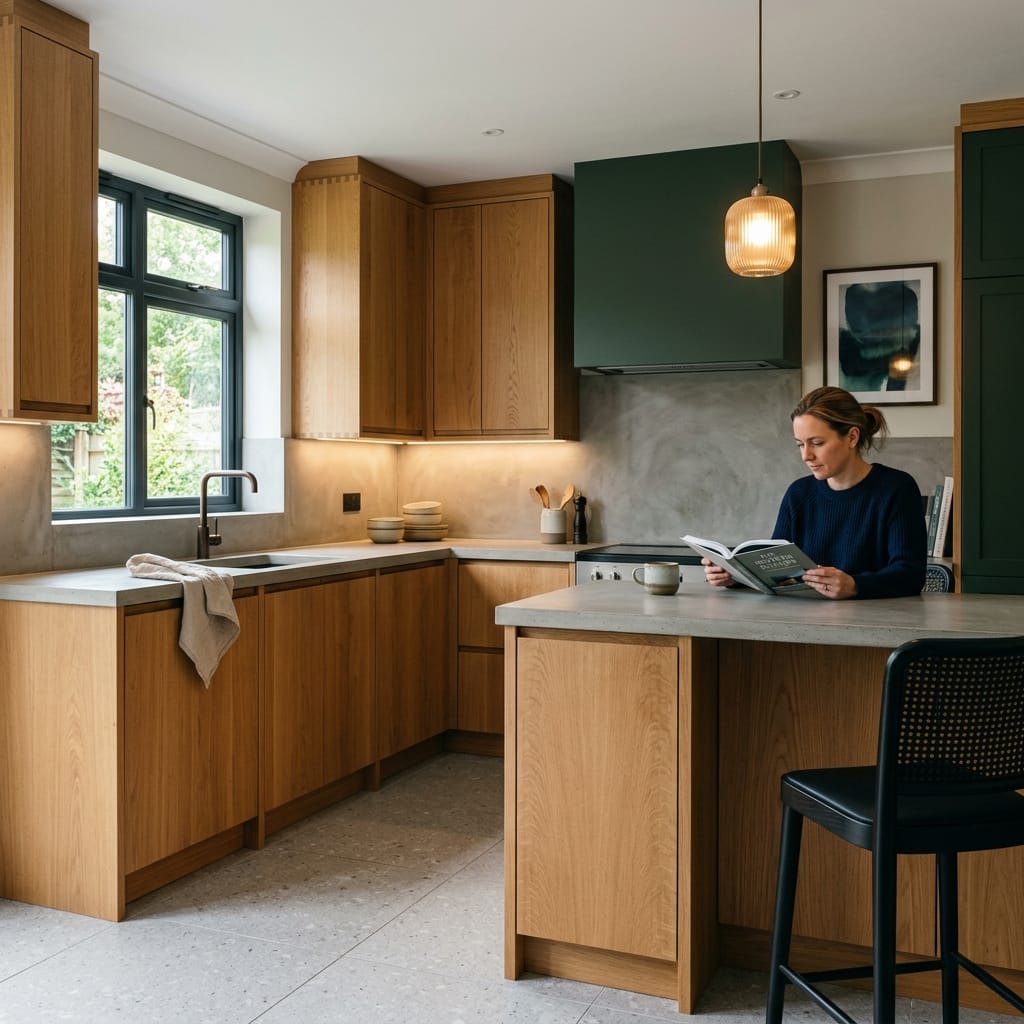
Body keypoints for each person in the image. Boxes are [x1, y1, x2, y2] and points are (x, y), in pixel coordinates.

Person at [702, 386, 927, 599]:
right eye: (800, 444)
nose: (806, 455)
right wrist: (735, 577)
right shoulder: (799, 493)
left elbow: (910, 575)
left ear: (852, 437)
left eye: (817, 443)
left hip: (872, 624)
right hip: (802, 620)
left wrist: (855, 585)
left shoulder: (896, 489)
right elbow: (775, 572)